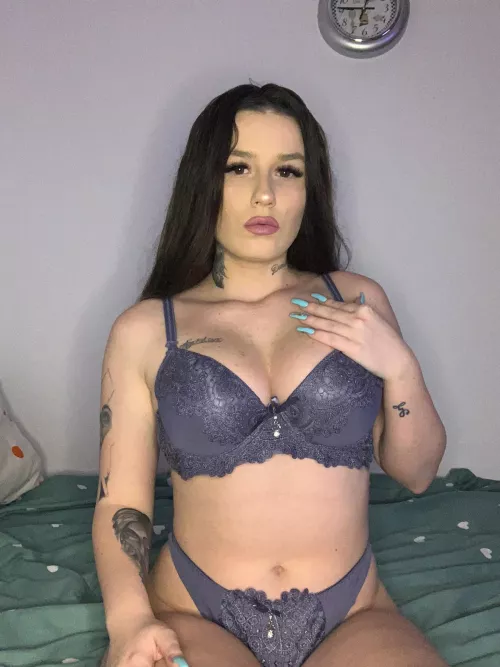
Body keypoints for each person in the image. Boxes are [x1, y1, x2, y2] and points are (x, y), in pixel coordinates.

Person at [92, 82, 448, 667]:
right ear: (204, 183)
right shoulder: (146, 329)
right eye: (238, 168)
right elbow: (120, 505)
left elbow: (416, 474)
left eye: (288, 171)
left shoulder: (357, 301)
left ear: (310, 188)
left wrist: (402, 368)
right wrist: (129, 621)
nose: (265, 194)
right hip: (192, 610)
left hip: (352, 614)